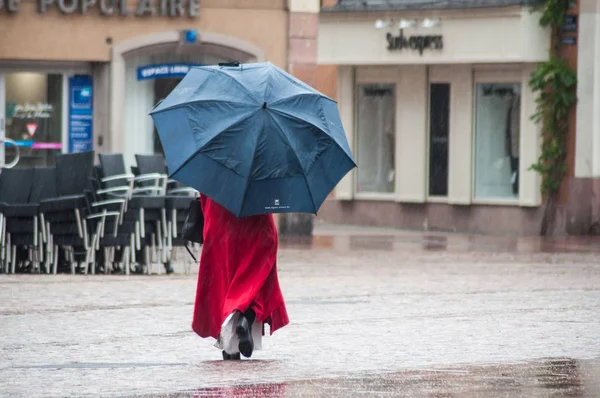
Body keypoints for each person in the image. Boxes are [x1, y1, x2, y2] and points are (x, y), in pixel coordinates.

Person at [191, 194, 289, 360]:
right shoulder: (261, 168)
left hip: (219, 221)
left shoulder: (214, 170)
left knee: (223, 281)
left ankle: (229, 349)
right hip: (255, 220)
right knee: (257, 274)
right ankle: (247, 316)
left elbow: (204, 197)